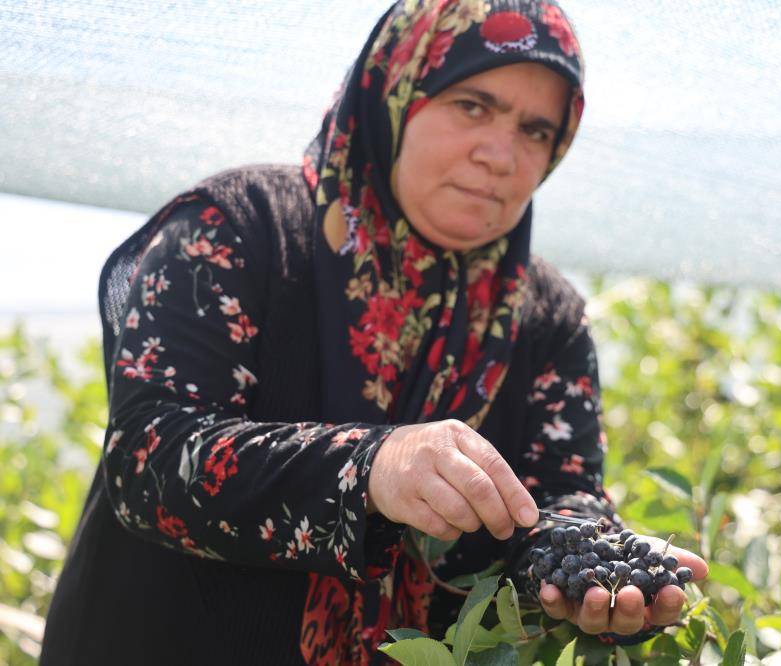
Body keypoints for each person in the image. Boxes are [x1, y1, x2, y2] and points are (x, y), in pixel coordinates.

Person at [40, 1, 708, 664]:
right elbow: (149, 460)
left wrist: (583, 563)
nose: (500, 154)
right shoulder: (240, 230)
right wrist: (371, 468)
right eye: (471, 105)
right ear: (393, 94)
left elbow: (559, 494)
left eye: (536, 130)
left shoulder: (544, 317)